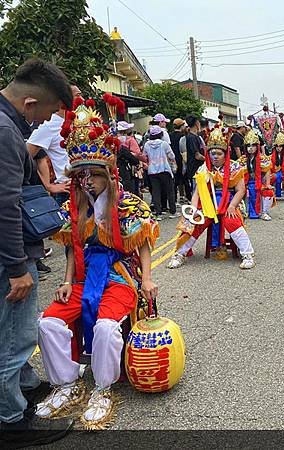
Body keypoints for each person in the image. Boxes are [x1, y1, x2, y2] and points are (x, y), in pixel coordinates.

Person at [35, 96, 159, 430]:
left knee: (106, 327)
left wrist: (146, 279)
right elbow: (72, 251)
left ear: (108, 174)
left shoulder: (129, 205)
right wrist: (65, 281)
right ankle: (67, 384)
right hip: (83, 279)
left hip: (118, 278)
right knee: (47, 323)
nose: (87, 181)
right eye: (81, 175)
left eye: (94, 174)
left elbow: (143, 245)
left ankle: (103, 389)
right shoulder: (73, 210)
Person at [0, 58, 74, 443]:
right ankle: (12, 421)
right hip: (6, 258)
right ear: (30, 103)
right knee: (12, 338)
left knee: (15, 333)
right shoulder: (6, 133)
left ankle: (24, 388)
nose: (48, 122)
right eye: (49, 113)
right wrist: (17, 267)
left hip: (12, 251)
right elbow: (5, 205)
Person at [167, 126, 255, 270]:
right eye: (212, 153)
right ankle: (179, 254)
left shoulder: (235, 167)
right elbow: (197, 193)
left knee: (231, 220)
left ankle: (248, 254)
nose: (215, 156)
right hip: (207, 203)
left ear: (225, 154)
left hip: (229, 201)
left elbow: (241, 190)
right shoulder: (203, 169)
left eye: (219, 153)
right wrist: (194, 210)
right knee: (193, 222)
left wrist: (232, 206)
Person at [143, 125, 177, 220]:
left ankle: (158, 213)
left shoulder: (146, 144)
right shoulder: (164, 144)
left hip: (152, 171)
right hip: (165, 169)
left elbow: (144, 156)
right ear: (161, 134)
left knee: (156, 191)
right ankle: (173, 211)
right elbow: (171, 156)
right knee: (170, 191)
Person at [239, 129, 274, 221]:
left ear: (257, 147)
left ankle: (264, 212)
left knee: (268, 192)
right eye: (248, 146)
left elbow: (267, 172)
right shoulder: (242, 160)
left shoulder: (263, 159)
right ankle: (243, 212)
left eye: (253, 146)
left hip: (259, 183)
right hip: (246, 183)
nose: (250, 148)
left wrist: (268, 184)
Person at [169, 118, 189, 204]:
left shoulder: (169, 135)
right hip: (182, 160)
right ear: (181, 126)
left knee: (175, 180)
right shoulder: (183, 136)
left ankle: (174, 199)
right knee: (185, 179)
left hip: (173, 160)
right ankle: (188, 197)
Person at [185, 115, 206, 192]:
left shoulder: (197, 136)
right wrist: (207, 159)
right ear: (197, 123)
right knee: (196, 191)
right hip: (195, 169)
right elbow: (197, 156)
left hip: (199, 169)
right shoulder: (191, 138)